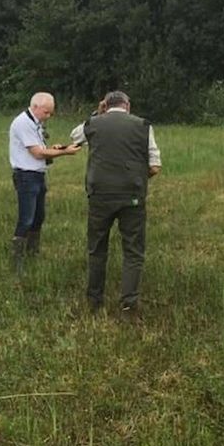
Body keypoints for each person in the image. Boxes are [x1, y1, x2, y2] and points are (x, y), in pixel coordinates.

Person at [70, 91, 161, 319]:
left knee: (97, 249)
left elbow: (75, 136)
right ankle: (129, 305)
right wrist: (135, 179)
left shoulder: (93, 123)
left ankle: (94, 301)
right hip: (132, 195)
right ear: (127, 105)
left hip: (100, 195)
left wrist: (96, 113)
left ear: (105, 105)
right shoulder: (143, 126)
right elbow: (155, 166)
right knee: (133, 251)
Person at [7, 92, 80, 273]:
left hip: (38, 175)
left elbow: (41, 149)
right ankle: (17, 259)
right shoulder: (23, 123)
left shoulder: (35, 123)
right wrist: (65, 152)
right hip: (26, 176)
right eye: (47, 112)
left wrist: (53, 149)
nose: (49, 117)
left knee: (39, 217)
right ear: (36, 107)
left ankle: (33, 252)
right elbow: (37, 153)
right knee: (27, 218)